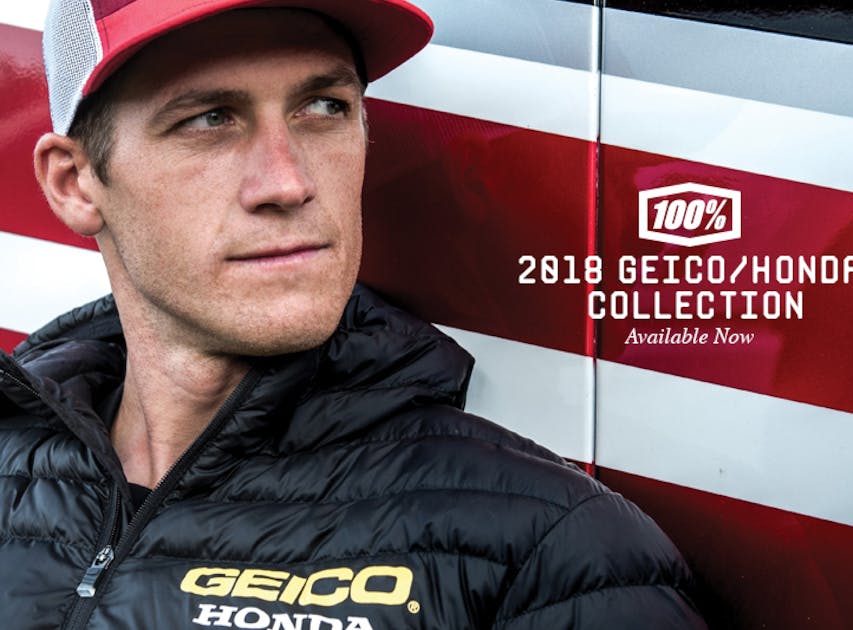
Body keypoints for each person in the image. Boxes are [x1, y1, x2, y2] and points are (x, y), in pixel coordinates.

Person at [0, 1, 707, 628]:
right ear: (75, 184)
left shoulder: (553, 552)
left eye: (324, 107)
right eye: (210, 119)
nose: (288, 183)